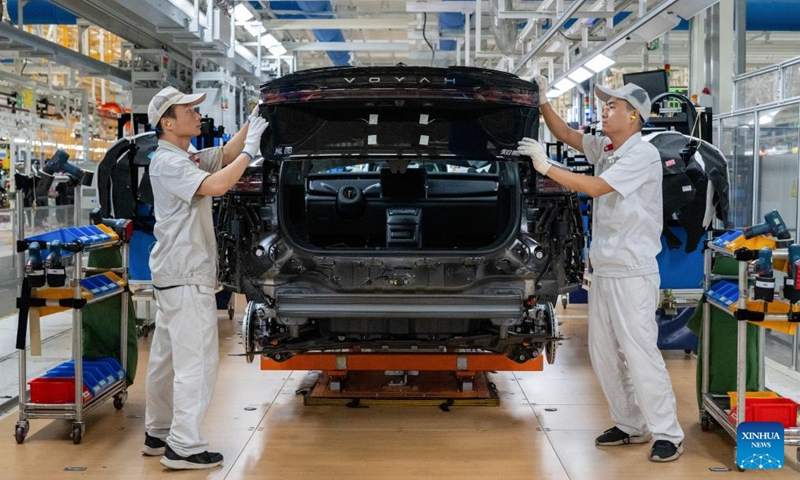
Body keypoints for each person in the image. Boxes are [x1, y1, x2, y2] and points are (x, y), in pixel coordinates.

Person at [518, 76, 684, 463]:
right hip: (606, 271)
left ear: (635, 117)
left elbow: (594, 188)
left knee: (640, 353)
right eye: (605, 105)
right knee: (605, 353)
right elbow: (566, 133)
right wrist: (542, 102)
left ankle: (667, 433)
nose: (605, 111)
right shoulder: (608, 147)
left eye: (613, 107)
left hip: (633, 271)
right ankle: (630, 425)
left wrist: (546, 167)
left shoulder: (641, 155)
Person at [141, 86, 268, 470]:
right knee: (196, 362)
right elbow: (217, 183)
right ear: (168, 122)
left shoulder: (183, 156)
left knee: (165, 359)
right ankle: (184, 445)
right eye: (189, 110)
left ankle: (158, 431)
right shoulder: (170, 163)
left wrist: (255, 120)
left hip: (173, 272)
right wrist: (252, 152)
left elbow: (225, 154)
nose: (198, 115)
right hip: (185, 274)